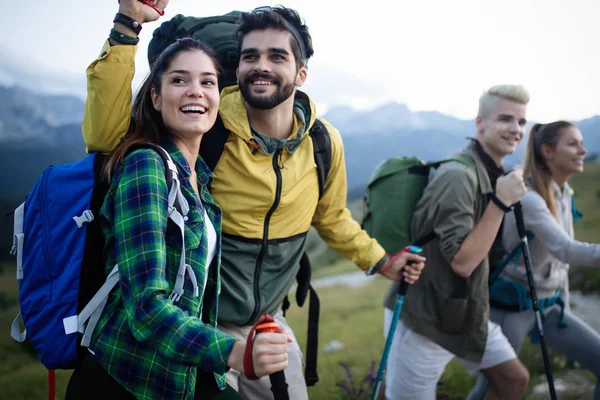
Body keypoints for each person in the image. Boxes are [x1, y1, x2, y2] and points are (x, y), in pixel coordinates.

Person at [80, 2, 426, 399]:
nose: (261, 66)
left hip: (268, 323)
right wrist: (127, 24)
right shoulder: (205, 127)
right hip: (197, 324)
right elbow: (107, 138)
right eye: (250, 56)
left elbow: (332, 217)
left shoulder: (323, 143)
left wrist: (382, 262)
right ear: (237, 70)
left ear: (301, 73)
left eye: (277, 56)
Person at [65, 2, 291, 398]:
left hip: (180, 373)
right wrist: (235, 353)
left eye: (208, 82)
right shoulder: (145, 167)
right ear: (155, 97)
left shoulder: (199, 179)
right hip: (127, 380)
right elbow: (147, 309)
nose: (196, 92)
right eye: (179, 80)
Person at [382, 85, 532, 400]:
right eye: (505, 119)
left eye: (521, 122)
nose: (515, 129)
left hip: (466, 312)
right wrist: (501, 203)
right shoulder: (458, 176)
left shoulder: (491, 171)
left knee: (513, 380)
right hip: (426, 319)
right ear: (480, 123)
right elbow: (462, 263)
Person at [468, 121, 600, 400]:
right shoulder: (529, 198)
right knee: (494, 388)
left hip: (549, 307)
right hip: (512, 307)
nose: (583, 150)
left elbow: (559, 263)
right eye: (573, 144)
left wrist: (563, 302)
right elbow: (565, 249)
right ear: (548, 151)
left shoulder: (563, 193)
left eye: (581, 143)